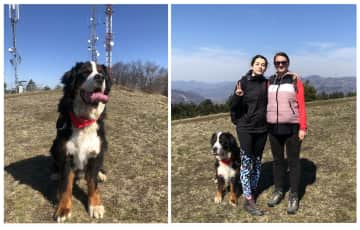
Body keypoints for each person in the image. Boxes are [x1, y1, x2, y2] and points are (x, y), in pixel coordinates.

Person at [266, 52, 307, 214]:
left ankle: (294, 195)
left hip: (292, 127)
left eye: (283, 62)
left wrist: (303, 127)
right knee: (277, 161)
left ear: (288, 63)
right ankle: (278, 190)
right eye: (277, 63)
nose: (280, 65)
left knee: (293, 162)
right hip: (273, 128)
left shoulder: (295, 80)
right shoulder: (269, 81)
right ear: (274, 64)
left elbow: (302, 104)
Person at [230, 55, 268, 216]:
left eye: (263, 65)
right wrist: (238, 95)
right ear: (252, 65)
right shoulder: (243, 82)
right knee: (246, 162)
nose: (260, 67)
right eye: (257, 64)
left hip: (262, 128)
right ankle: (248, 199)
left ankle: (252, 190)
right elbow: (233, 105)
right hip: (245, 128)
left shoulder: (267, 83)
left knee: (257, 161)